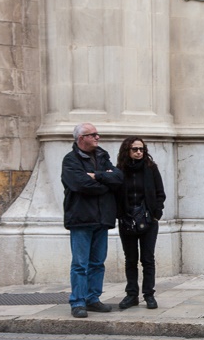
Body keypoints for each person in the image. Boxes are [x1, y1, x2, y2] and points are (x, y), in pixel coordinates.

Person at [61, 123, 124, 318]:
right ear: (81, 138)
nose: (98, 137)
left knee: (97, 262)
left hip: (101, 218)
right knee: (80, 263)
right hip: (81, 218)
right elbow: (80, 184)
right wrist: (106, 181)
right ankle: (78, 302)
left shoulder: (102, 156)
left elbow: (119, 178)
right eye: (93, 135)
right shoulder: (71, 160)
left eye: (97, 134)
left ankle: (92, 298)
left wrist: (97, 176)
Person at [115, 137, 166, 310]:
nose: (138, 152)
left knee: (147, 259)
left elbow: (160, 193)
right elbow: (114, 194)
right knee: (130, 259)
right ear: (127, 151)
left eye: (141, 149)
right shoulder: (120, 170)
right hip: (127, 220)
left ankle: (149, 294)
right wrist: (120, 214)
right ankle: (131, 295)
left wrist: (156, 214)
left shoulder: (151, 169)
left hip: (148, 220)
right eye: (135, 149)